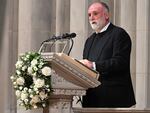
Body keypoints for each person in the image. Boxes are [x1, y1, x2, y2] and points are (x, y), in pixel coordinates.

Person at [80, 2, 136, 108]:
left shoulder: (119, 34)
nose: (91, 18)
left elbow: (120, 62)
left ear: (106, 15)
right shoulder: (89, 40)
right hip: (91, 99)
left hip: (113, 99)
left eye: (95, 13)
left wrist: (93, 65)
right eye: (89, 15)